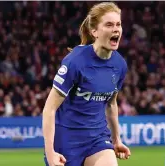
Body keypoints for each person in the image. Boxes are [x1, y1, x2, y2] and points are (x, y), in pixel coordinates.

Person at [42, 2, 131, 166]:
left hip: (97, 138)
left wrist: (116, 139)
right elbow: (49, 109)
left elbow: (111, 104)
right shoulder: (75, 62)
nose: (116, 29)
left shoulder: (119, 65)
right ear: (94, 31)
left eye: (118, 24)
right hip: (66, 140)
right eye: (109, 24)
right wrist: (50, 152)